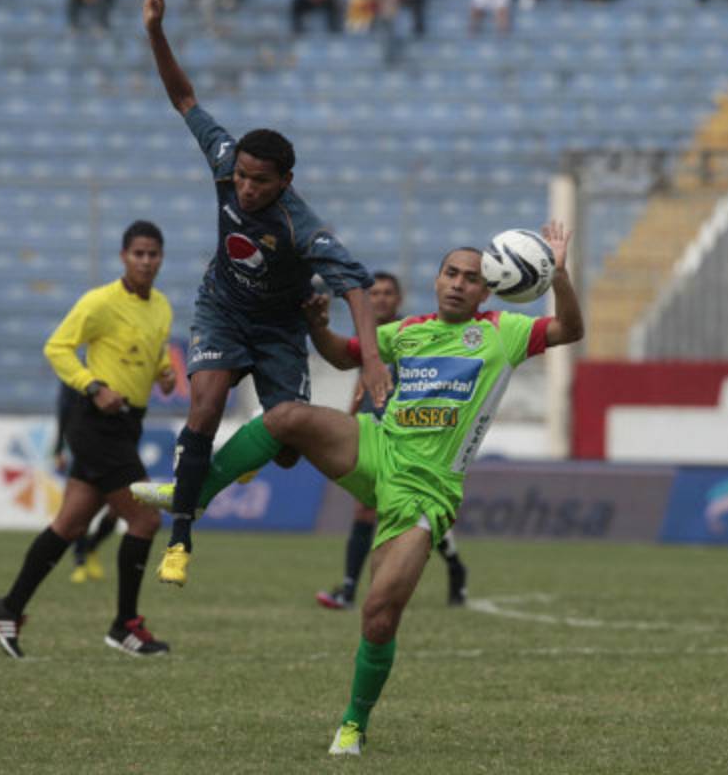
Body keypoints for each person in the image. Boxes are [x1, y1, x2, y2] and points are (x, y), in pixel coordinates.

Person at [134, 222, 583, 755]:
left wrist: (560, 276)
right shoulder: (408, 330)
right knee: (284, 417)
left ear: (489, 289)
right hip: (376, 447)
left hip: (426, 491)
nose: (459, 284)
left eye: (471, 278)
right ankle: (195, 497)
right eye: (450, 274)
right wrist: (319, 326)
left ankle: (353, 723)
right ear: (437, 280)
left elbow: (570, 331)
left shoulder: (502, 333)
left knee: (378, 613)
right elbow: (346, 355)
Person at [144, 0, 392, 586]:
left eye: (260, 181)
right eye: (244, 178)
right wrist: (155, 31)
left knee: (285, 447)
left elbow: (356, 283)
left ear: (284, 180)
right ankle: (180, 538)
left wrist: (371, 359)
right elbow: (184, 99)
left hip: (280, 328)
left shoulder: (302, 226)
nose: (246, 188)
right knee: (204, 407)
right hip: (223, 309)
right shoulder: (227, 161)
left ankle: (244, 459)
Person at [0, 220, 176, 659]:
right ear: (123, 256)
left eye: (153, 254)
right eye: (138, 253)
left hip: (128, 424)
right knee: (145, 520)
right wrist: (92, 386)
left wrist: (163, 372)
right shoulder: (100, 302)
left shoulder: (162, 306)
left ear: (162, 258)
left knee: (69, 525)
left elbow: (156, 350)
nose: (146, 261)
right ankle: (125, 625)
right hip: (96, 424)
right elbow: (58, 347)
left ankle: (9, 607)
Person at [314, 272, 469, 611]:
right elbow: (361, 381)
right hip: (372, 429)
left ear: (399, 300)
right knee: (370, 507)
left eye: (387, 293)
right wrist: (350, 418)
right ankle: (351, 589)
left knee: (410, 511)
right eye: (375, 294)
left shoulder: (413, 335)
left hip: (407, 436)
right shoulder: (367, 338)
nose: (381, 299)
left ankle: (453, 566)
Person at [50, 381, 120, 584]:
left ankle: (91, 547)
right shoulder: (76, 374)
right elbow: (63, 410)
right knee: (80, 510)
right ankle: (80, 562)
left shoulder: (115, 368)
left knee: (117, 509)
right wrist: (59, 449)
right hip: (84, 446)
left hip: (116, 448)